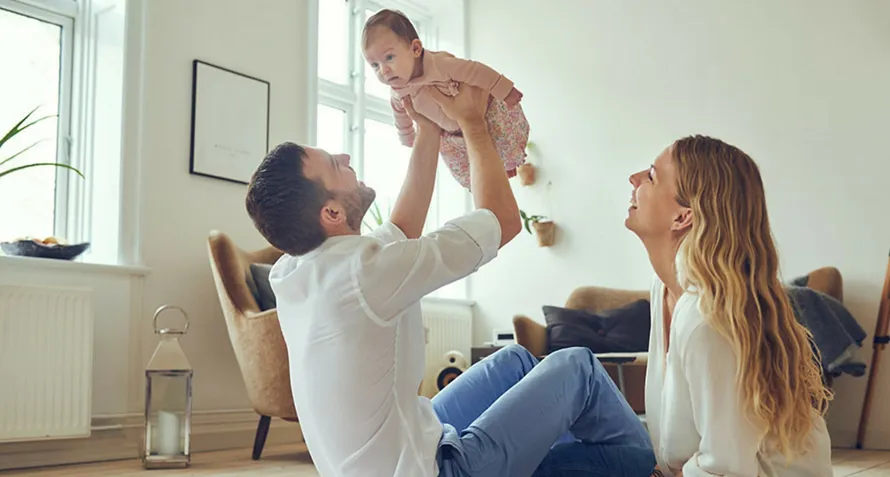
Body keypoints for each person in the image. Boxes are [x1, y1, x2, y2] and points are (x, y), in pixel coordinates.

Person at [244, 83, 655, 477]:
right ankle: (654, 470)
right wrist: (473, 123)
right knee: (577, 366)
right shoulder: (366, 273)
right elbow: (504, 220)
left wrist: (429, 128)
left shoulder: (296, 268)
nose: (346, 155)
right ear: (331, 214)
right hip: (434, 472)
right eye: (334, 164)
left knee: (513, 361)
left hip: (408, 448)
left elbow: (401, 227)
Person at [624, 136, 834, 476]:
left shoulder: (706, 317)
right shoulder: (663, 288)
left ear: (683, 217)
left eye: (651, 175)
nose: (634, 179)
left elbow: (726, 468)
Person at [361, 8, 529, 190]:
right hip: (450, 134)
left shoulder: (439, 64)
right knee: (459, 164)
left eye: (389, 57)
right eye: (375, 65)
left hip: (482, 111)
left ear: (416, 49)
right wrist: (407, 138)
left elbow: (475, 71)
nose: (383, 70)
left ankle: (510, 163)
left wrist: (504, 89)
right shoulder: (397, 92)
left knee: (500, 134)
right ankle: (495, 173)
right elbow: (401, 117)